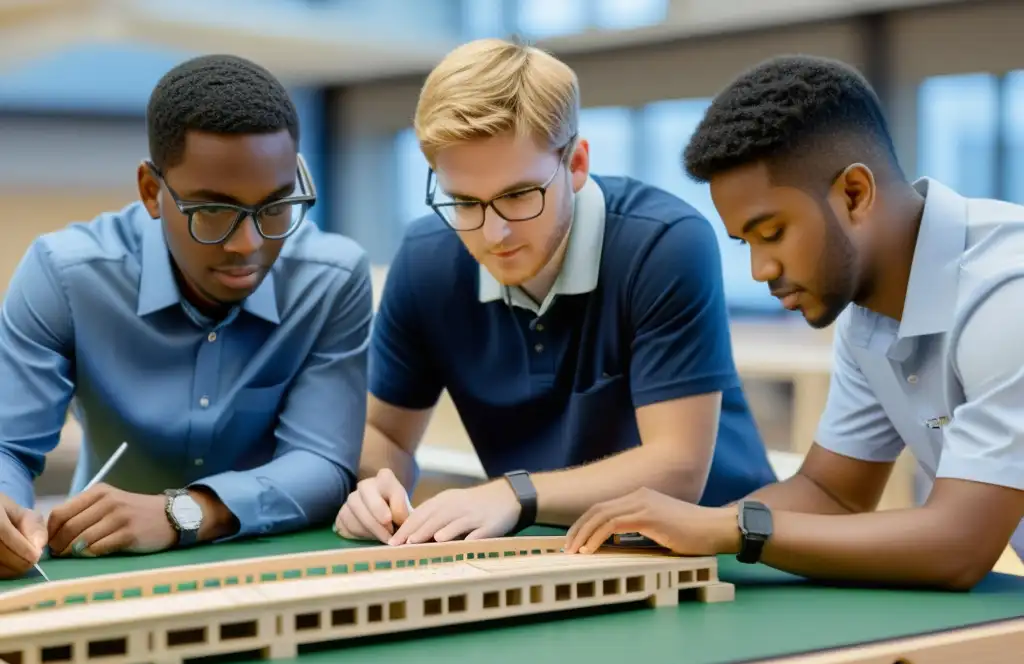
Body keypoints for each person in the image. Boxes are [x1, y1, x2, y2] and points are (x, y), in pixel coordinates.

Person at [565, 54, 1024, 591]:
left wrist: (731, 528)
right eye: (746, 243)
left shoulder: (1006, 293)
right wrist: (667, 536)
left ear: (855, 193)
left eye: (773, 232)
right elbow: (832, 493)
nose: (762, 270)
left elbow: (959, 546)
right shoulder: (867, 318)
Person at [334, 38, 776, 547]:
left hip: (723, 555)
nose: (493, 232)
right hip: (557, 554)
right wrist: (376, 487)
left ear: (577, 164)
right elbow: (385, 434)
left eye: (519, 195)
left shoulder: (666, 242)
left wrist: (510, 494)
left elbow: (677, 467)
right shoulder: (425, 258)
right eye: (463, 201)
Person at [0, 54, 372, 579]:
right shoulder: (66, 275)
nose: (250, 245)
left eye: (275, 206)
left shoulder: (331, 280)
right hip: (100, 571)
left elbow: (322, 464)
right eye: (213, 211)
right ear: (153, 192)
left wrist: (183, 512)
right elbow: (6, 445)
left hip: (276, 573)